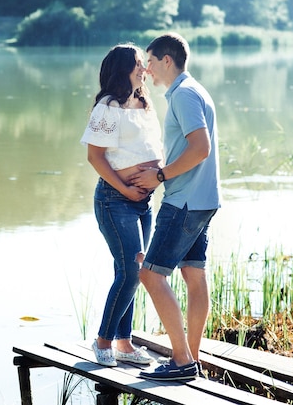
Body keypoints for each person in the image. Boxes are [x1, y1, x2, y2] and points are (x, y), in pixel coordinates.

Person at [129, 32, 221, 381]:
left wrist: (161, 176)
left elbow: (200, 148)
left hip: (183, 200)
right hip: (204, 199)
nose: (147, 70)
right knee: (194, 277)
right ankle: (191, 359)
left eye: (150, 62)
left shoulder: (182, 95)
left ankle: (181, 362)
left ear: (167, 60)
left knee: (151, 274)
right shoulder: (195, 90)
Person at [80, 44, 163, 367]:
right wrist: (127, 190)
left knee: (131, 271)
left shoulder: (144, 103)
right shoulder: (108, 106)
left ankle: (124, 343)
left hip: (144, 202)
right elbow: (95, 157)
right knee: (132, 270)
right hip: (115, 201)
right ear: (123, 68)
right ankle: (103, 341)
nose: (145, 69)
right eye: (139, 64)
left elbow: (152, 146)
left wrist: (155, 176)